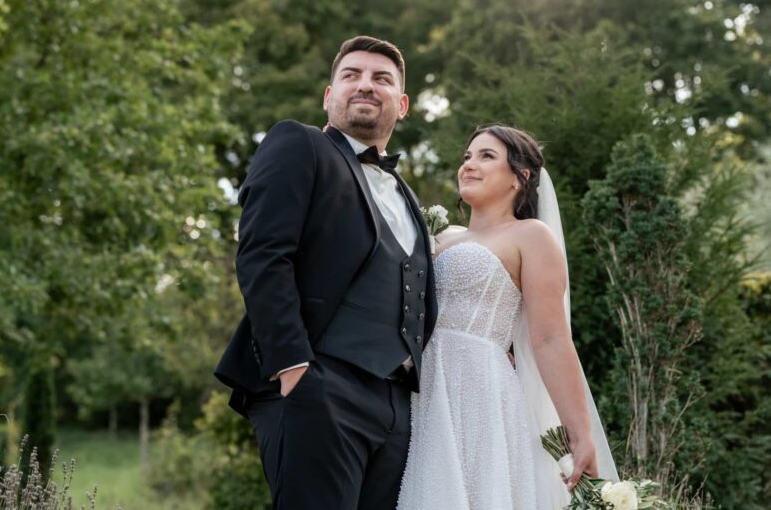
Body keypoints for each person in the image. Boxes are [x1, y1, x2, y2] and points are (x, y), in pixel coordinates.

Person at [215, 35, 438, 509]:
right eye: (351, 75)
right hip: (317, 388)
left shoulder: (406, 194)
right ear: (328, 95)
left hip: (397, 407)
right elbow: (263, 255)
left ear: (401, 105)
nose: (365, 85)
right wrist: (293, 367)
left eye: (381, 79)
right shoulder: (300, 144)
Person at [397, 125, 618, 509]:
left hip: (477, 390)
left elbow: (550, 338)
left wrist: (580, 433)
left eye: (486, 156)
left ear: (520, 177)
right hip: (419, 386)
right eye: (467, 156)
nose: (469, 165)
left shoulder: (531, 236)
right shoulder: (441, 236)